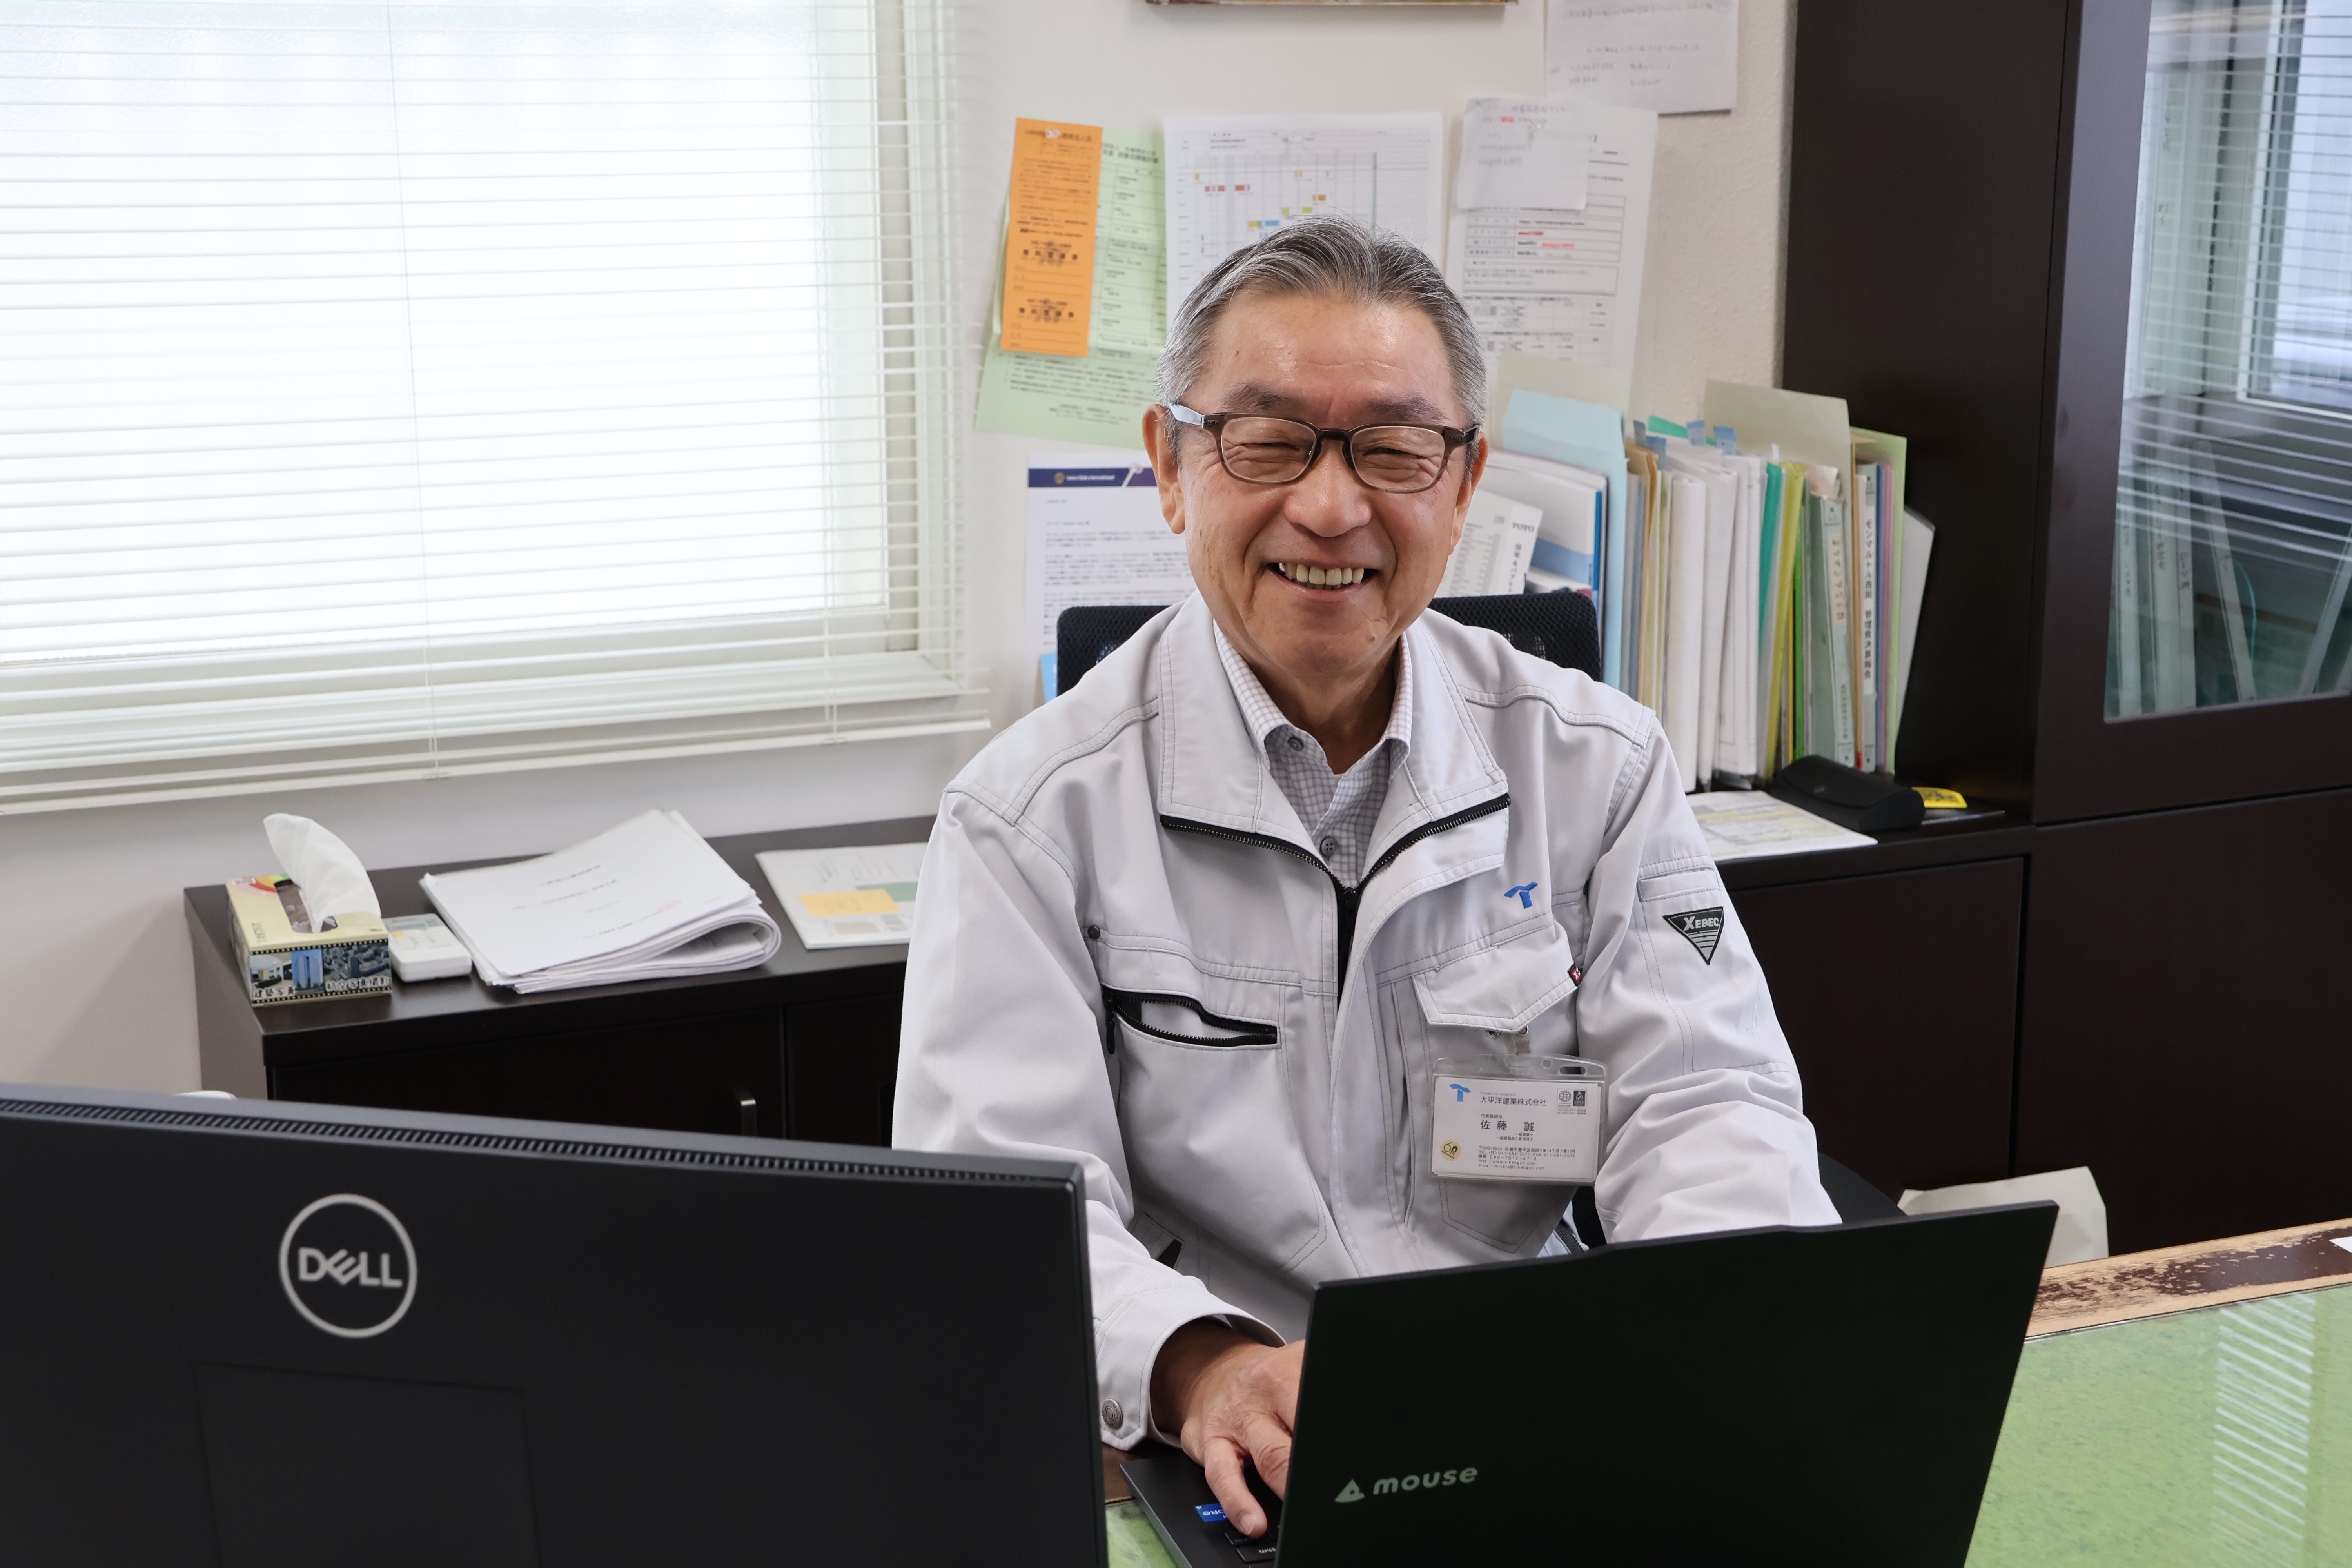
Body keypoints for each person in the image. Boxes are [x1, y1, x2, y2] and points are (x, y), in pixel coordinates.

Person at [894, 216, 1837, 1536]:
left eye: (1393, 449)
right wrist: (1197, 1368)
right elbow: (1003, 1214)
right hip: (1231, 1453)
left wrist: (1705, 1343)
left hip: (1539, 1413)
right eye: (1267, 440)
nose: (1331, 509)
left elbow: (1707, 1106)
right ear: (1170, 466)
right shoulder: (1029, 817)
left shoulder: (1598, 766)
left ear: (1464, 482)